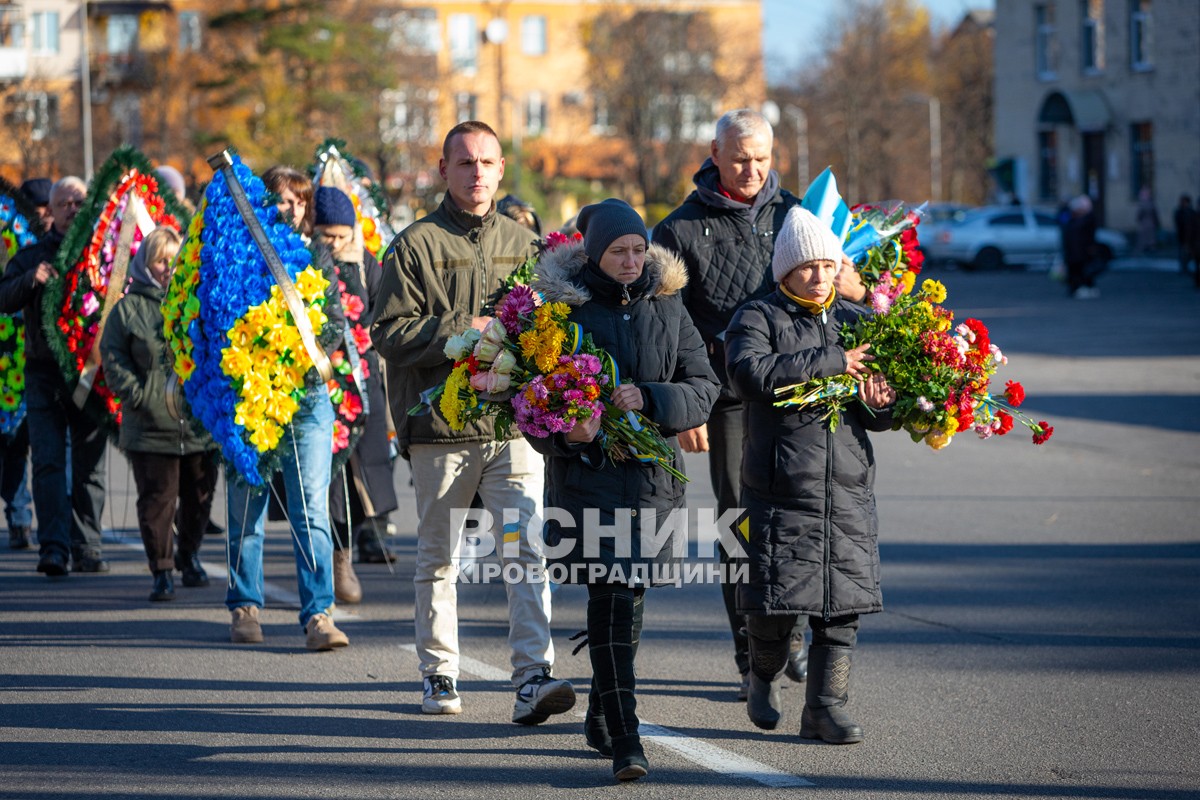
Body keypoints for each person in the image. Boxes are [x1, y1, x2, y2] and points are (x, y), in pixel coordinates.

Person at [371, 120, 575, 723]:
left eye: (487, 162)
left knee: (525, 551)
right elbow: (387, 333)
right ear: (443, 171)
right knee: (439, 558)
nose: (477, 173)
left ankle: (533, 676)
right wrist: (463, 333)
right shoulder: (414, 246)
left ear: (502, 169)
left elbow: (556, 328)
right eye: (464, 163)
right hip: (440, 426)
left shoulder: (528, 245)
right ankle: (439, 675)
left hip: (513, 428)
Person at [526, 199, 718, 780]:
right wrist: (569, 429)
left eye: (638, 249)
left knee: (631, 603)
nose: (632, 260)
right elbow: (530, 405)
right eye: (619, 251)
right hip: (589, 482)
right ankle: (626, 738)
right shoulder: (561, 313)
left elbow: (705, 385)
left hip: (652, 484)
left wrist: (652, 398)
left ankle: (603, 712)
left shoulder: (668, 302)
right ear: (594, 254)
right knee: (610, 598)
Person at [650, 108, 810, 699]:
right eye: (740, 157)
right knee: (740, 519)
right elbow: (666, 326)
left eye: (762, 158)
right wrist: (685, 406)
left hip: (798, 389)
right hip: (725, 398)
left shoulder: (797, 216)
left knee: (797, 515)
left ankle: (789, 630)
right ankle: (749, 650)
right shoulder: (678, 230)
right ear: (713, 153)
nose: (751, 169)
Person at [725, 206, 896, 744]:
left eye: (828, 265)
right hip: (782, 488)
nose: (820, 277)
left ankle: (825, 708)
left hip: (846, 486)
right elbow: (749, 374)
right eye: (807, 267)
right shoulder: (756, 317)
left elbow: (881, 413)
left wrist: (882, 402)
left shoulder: (854, 319)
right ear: (784, 272)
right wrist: (832, 362)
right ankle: (762, 672)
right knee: (777, 608)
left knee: (842, 607)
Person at [223, 165, 350, 651]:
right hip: (249, 395)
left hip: (307, 396)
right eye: (282, 199)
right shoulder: (237, 252)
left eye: (299, 201)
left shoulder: (316, 253)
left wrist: (297, 358)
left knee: (311, 509)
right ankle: (245, 606)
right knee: (246, 508)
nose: (292, 208)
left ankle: (318, 615)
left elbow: (334, 322)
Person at [99, 227, 219, 601]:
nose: (168, 267)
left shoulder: (194, 300)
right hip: (150, 425)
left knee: (199, 497)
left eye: (173, 259)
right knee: (158, 502)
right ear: (146, 263)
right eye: (161, 260)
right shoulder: (128, 308)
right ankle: (162, 570)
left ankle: (189, 555)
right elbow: (113, 355)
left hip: (197, 422)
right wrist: (139, 395)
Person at [0, 177, 110, 577]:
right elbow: (4, 296)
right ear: (51, 208)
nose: (73, 209)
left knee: (89, 465)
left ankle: (88, 547)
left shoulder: (102, 255)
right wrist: (32, 280)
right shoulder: (31, 257)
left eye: (80, 202)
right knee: (47, 461)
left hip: (90, 371)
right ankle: (53, 548)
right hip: (43, 372)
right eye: (64, 203)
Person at [311, 186, 398, 603]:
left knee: (363, 481)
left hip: (363, 389)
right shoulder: (307, 263)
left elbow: (385, 317)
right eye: (324, 234)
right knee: (329, 483)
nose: (332, 243)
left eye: (340, 235)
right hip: (321, 388)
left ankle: (349, 548)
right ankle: (334, 563)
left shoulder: (366, 264)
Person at [1062, 194, 1100, 299]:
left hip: (1079, 253)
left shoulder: (1084, 220)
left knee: (1082, 271)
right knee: (1077, 272)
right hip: (1074, 253)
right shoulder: (1073, 220)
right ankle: (1078, 288)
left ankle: (1082, 288)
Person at [1172, 195, 1197, 275]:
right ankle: (1184, 268)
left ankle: (1186, 268)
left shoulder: (1190, 212)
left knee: (1188, 253)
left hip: (1189, 237)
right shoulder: (1180, 212)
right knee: (1183, 253)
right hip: (1182, 236)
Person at [1136, 186, 1159, 254]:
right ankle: (1150, 248)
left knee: (1145, 236)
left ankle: (1146, 248)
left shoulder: (1142, 204)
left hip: (1145, 223)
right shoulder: (1151, 204)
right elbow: (1155, 214)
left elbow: (1139, 215)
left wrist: (1139, 219)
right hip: (1150, 222)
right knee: (1150, 236)